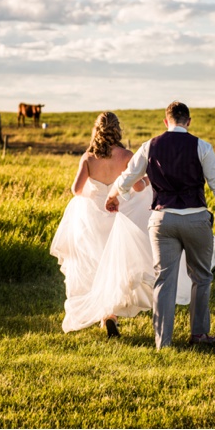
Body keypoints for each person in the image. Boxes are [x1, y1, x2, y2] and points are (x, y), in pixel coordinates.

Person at [106, 101, 215, 349]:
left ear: (166, 122)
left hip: (161, 220)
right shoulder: (202, 146)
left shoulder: (150, 146)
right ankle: (199, 334)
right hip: (196, 218)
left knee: (164, 280)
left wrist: (113, 195)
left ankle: (162, 341)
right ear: (188, 121)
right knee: (201, 276)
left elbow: (127, 177)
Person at [50, 112, 196, 338]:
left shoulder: (88, 158)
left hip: (93, 221)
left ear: (96, 131)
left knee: (96, 267)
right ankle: (112, 316)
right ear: (117, 130)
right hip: (119, 218)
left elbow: (77, 190)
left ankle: (107, 316)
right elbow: (137, 187)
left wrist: (96, 194)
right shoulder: (126, 155)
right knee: (116, 267)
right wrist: (147, 180)